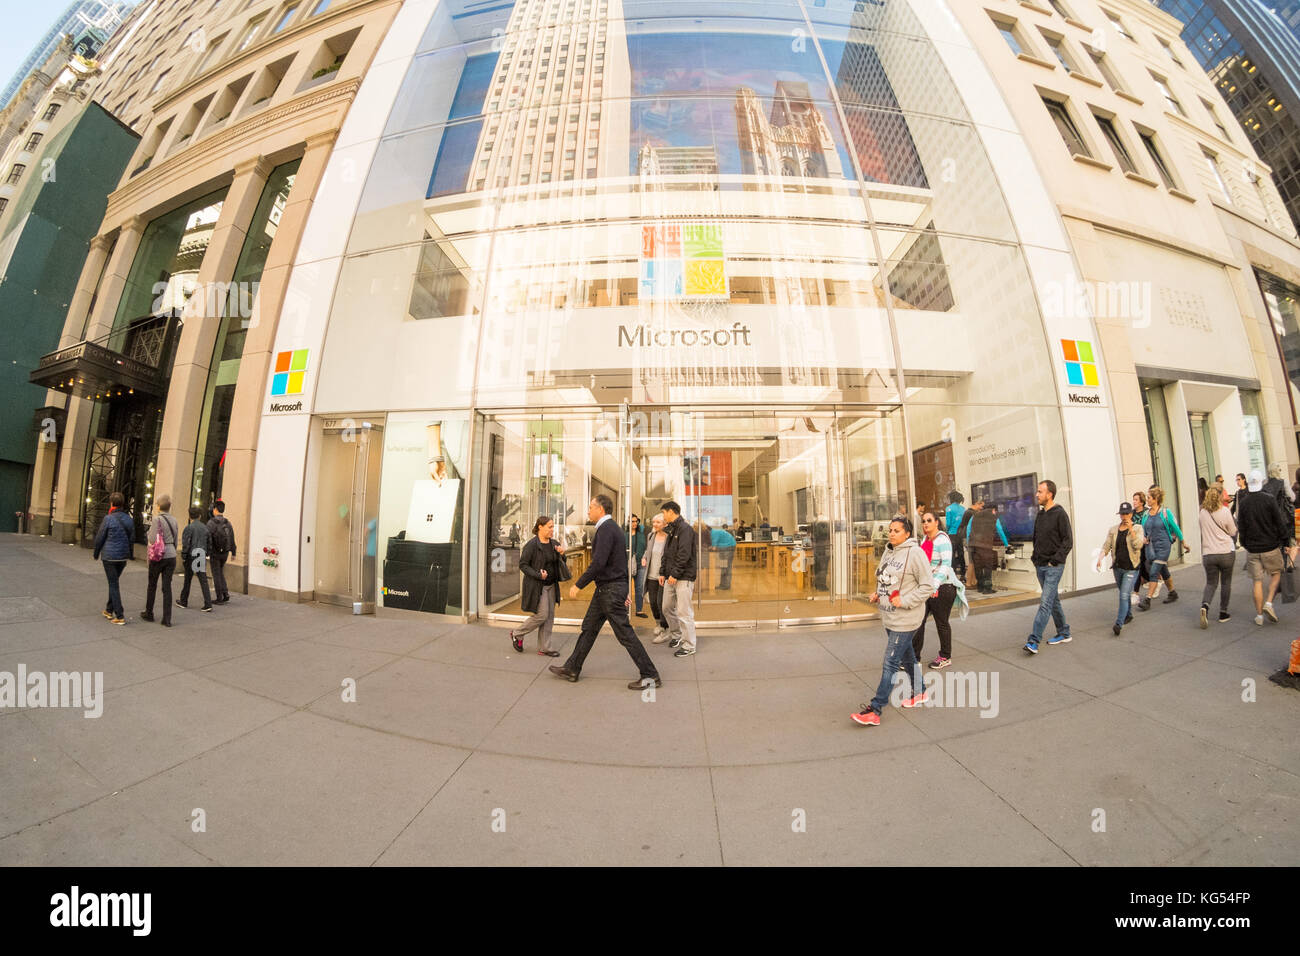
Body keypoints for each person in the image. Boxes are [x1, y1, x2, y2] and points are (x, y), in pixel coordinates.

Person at [548, 496, 661, 688]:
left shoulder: (607, 529)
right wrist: (624, 589)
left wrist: (578, 584)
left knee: (625, 634)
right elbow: (617, 563)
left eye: (591, 507)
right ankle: (572, 668)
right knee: (589, 629)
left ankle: (650, 675)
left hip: (610, 590)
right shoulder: (610, 528)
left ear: (600, 509)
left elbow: (598, 563)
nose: (588, 511)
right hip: (606, 590)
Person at [852, 517, 933, 726]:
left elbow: (927, 587)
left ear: (907, 534)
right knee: (908, 657)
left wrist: (904, 601)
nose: (892, 534)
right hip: (889, 616)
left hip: (906, 619)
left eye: (897, 531)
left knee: (890, 662)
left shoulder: (916, 553)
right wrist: (878, 593)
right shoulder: (889, 551)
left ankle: (875, 709)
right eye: (890, 530)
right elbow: (886, 578)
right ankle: (921, 691)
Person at [1237, 469, 1296, 626]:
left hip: (1253, 549)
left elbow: (1241, 527)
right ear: (1261, 482)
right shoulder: (1269, 500)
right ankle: (1269, 602)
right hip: (1270, 546)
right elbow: (1279, 522)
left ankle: (1259, 616)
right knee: (1277, 573)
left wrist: (1244, 543)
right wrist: (1285, 542)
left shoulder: (1243, 503)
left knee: (1257, 581)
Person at [913, 510, 967, 668]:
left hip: (943, 587)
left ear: (937, 522)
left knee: (941, 622)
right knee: (918, 621)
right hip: (927, 588)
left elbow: (945, 565)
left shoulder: (943, 540)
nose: (926, 523)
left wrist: (934, 585)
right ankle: (914, 658)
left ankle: (945, 656)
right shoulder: (925, 539)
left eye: (929, 520)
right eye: (923, 521)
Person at [1024, 479, 1072, 654]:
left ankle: (1033, 640)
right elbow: (1036, 538)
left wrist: (1055, 560)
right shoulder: (1041, 514)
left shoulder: (1060, 514)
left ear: (1049, 494)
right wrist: (1035, 558)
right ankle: (1064, 632)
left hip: (1054, 566)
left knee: (1045, 602)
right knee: (1053, 601)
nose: (1037, 494)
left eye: (1040, 491)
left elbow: (1068, 541)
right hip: (1040, 565)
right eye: (1037, 491)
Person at [512, 516, 567, 656]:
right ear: (540, 527)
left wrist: (562, 554)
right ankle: (517, 633)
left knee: (550, 616)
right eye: (550, 527)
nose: (552, 530)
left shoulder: (554, 543)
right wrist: (538, 574)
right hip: (538, 586)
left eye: (553, 527)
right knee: (542, 615)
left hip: (551, 585)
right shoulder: (531, 545)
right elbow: (523, 565)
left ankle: (544, 648)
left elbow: (560, 562)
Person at [1096, 502, 1144, 636]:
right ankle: (1128, 615)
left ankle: (1119, 623)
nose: (1124, 516)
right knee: (1125, 593)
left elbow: (1139, 545)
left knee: (1123, 594)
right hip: (1118, 568)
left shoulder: (1138, 528)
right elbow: (1107, 545)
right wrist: (1100, 557)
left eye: (1127, 514)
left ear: (1131, 514)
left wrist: (1132, 531)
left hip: (1131, 568)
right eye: (1122, 514)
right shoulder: (1113, 529)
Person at [658, 500, 699, 657]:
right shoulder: (671, 530)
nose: (663, 516)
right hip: (670, 577)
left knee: (684, 612)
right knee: (667, 607)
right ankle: (677, 635)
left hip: (683, 577)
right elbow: (666, 554)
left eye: (663, 513)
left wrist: (674, 574)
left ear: (671, 512)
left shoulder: (685, 529)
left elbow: (684, 554)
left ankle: (689, 645)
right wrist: (663, 572)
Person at [1137, 487, 1187, 610]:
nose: (1147, 500)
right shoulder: (1146, 514)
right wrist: (1144, 538)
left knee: (1154, 572)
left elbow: (1175, 528)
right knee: (1163, 569)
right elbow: (1144, 529)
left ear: (1156, 499)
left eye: (1149, 498)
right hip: (1151, 547)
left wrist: (1183, 542)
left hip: (1164, 546)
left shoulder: (1165, 512)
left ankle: (1147, 599)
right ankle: (1172, 593)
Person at [1197, 485, 1237, 627]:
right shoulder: (1225, 511)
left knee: (1211, 583)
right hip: (1225, 552)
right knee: (1226, 582)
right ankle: (1223, 612)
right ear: (1219, 497)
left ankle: (1205, 606)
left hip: (1209, 554)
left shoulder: (1202, 513)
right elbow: (1233, 532)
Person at [92, 491, 134, 626]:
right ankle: (108, 610)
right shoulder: (128, 519)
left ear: (111, 503)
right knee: (113, 582)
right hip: (122, 557)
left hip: (109, 556)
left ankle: (120, 615)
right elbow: (132, 538)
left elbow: (100, 537)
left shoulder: (108, 519)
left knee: (113, 584)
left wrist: (96, 552)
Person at [142, 495, 179, 627]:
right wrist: (171, 550)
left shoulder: (157, 519)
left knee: (152, 584)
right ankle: (167, 618)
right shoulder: (174, 520)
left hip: (158, 556)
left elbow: (152, 539)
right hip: (171, 555)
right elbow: (175, 539)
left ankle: (149, 612)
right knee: (167, 587)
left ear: (158, 506)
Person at [1264, 462, 1297, 604]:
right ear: (1277, 471)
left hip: (1271, 524)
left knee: (1275, 551)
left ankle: (1275, 581)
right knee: (1285, 550)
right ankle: (1282, 584)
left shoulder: (1265, 486)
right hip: (1284, 522)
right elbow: (1292, 498)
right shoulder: (1283, 482)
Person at [968, 500, 1009, 594]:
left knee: (978, 567)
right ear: (994, 510)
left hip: (973, 545)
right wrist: (1006, 544)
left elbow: (968, 530)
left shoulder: (974, 515)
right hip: (985, 546)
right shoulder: (993, 517)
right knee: (987, 567)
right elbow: (1000, 531)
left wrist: (969, 543)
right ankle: (987, 588)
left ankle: (980, 587)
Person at [177, 505, 214, 611]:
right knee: (203, 580)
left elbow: (186, 544)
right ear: (200, 516)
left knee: (187, 579)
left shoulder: (189, 528)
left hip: (191, 555)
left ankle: (183, 601)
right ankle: (208, 603)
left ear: (190, 516)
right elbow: (209, 542)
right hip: (201, 554)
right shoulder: (205, 528)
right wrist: (207, 553)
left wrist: (184, 556)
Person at [644, 513, 672, 642]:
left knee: (662, 603)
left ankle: (666, 628)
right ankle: (658, 623)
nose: (654, 524)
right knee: (653, 602)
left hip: (663, 576)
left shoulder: (669, 538)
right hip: (651, 575)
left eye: (658, 522)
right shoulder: (651, 536)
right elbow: (648, 550)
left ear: (665, 524)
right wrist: (644, 557)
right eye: (653, 522)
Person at [206, 499, 236, 604]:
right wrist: (234, 551)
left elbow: (207, 537)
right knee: (220, 572)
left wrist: (207, 551)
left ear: (215, 509)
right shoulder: (228, 522)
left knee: (216, 574)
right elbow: (232, 537)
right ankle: (225, 593)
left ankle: (219, 597)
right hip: (225, 552)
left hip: (215, 552)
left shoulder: (211, 523)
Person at [626, 514, 648, 615]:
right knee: (626, 587)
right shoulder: (624, 535)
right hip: (627, 564)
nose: (634, 523)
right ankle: (626, 609)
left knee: (639, 587)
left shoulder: (642, 534)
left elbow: (647, 548)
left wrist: (645, 558)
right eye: (632, 521)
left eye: (636, 521)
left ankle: (639, 610)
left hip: (640, 564)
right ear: (627, 522)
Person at [945, 491, 967, 581]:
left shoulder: (949, 508)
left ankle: (953, 574)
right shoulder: (963, 509)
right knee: (961, 554)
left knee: (952, 554)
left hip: (952, 534)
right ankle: (963, 574)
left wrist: (947, 531)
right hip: (961, 534)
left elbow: (948, 523)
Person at [711, 523, 737, 590]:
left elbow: (713, 548)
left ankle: (725, 585)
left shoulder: (713, 533)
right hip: (727, 547)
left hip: (727, 548)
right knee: (724, 566)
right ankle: (723, 585)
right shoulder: (714, 532)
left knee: (726, 567)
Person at [808, 514, 830, 591]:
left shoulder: (814, 523)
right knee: (822, 568)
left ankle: (817, 583)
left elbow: (813, 536)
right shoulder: (823, 524)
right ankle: (821, 585)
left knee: (818, 567)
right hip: (822, 547)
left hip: (818, 547)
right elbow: (824, 534)